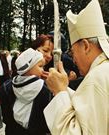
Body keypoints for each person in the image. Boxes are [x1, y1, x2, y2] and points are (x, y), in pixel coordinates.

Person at [44, 0, 109, 134]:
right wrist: (64, 87)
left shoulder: (96, 77)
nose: (73, 59)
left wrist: (60, 92)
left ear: (85, 46)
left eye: (73, 52)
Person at [11, 48, 51, 135]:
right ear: (28, 69)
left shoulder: (15, 84)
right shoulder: (42, 89)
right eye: (40, 66)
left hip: (16, 127)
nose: (43, 70)